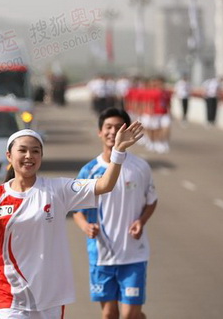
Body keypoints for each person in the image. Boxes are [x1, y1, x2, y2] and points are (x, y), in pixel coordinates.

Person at [0, 123, 144, 319]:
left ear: (41, 156)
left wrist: (117, 152)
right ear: (9, 156)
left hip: (50, 297)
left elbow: (104, 185)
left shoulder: (58, 190)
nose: (29, 156)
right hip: (10, 296)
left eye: (35, 151)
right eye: (22, 150)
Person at [73, 108, 158, 319]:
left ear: (127, 131)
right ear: (99, 133)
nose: (112, 132)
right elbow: (77, 210)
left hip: (133, 253)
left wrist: (142, 220)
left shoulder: (141, 167)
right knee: (110, 314)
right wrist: (85, 226)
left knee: (129, 315)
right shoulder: (89, 171)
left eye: (117, 127)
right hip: (101, 254)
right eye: (108, 127)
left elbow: (152, 200)